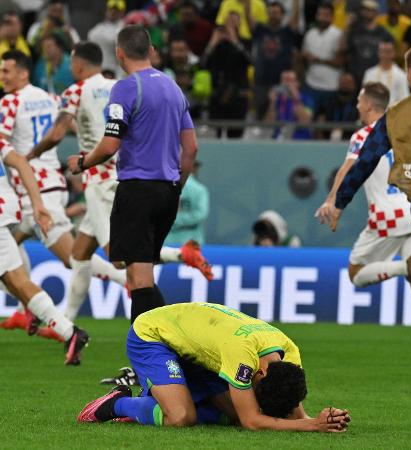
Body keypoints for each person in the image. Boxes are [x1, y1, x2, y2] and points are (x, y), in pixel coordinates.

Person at [28, 41, 212, 324]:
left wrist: (31, 155)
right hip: (142, 178)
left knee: (123, 257)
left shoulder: (79, 90)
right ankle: (65, 323)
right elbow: (191, 147)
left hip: (103, 179)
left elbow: (58, 134)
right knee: (80, 255)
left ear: (77, 64)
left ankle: (179, 257)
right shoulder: (120, 85)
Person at [67, 26, 198, 324]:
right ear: (151, 50)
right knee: (143, 277)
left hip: (137, 189)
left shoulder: (125, 88)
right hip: (167, 191)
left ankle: (148, 361)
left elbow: (110, 145)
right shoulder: (174, 89)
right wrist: (177, 188)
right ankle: (166, 351)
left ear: (119, 53)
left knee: (137, 280)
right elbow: (191, 148)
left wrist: (83, 162)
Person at [0, 50, 132, 334]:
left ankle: (125, 280)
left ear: (24, 72)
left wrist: (30, 155)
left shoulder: (10, 102)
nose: (2, 77)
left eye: (6, 71)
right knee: (14, 239)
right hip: (51, 182)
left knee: (72, 256)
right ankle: (26, 310)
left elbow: (3, 144)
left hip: (34, 188)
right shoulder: (49, 98)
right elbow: (72, 123)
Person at [316, 81, 411, 363]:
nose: (356, 106)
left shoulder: (364, 134)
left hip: (385, 217)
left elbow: (349, 168)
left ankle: (403, 267)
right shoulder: (406, 129)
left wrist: (332, 200)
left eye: (359, 101)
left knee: (356, 273)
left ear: (369, 105)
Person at [78, 302, 351, 432]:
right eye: (255, 386)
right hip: (153, 335)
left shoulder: (289, 355)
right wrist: (311, 426)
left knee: (231, 414)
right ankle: (117, 403)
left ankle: (157, 399)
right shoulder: (242, 354)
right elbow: (252, 421)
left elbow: (292, 409)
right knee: (181, 418)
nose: (252, 388)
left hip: (199, 350)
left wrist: (322, 419)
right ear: (259, 373)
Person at [0, 137, 88, 365]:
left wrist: (39, 205)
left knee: (17, 280)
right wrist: (37, 204)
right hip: (7, 207)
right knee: (14, 281)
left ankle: (64, 329)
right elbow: (20, 162)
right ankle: (66, 330)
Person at [203, 13, 251, 138]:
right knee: (214, 132)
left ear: (239, 24)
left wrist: (234, 41)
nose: (230, 24)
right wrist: (213, 43)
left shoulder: (244, 42)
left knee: (236, 134)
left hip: (237, 95)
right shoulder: (216, 44)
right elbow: (203, 63)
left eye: (234, 21)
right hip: (217, 95)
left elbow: (249, 60)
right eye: (228, 21)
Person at [251, 0, 301, 119]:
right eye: (271, 12)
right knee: (260, 117)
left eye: (277, 13)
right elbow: (249, 18)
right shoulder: (260, 30)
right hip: (261, 82)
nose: (273, 15)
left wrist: (296, 2)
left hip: (282, 83)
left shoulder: (287, 32)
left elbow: (296, 15)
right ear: (267, 14)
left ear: (283, 15)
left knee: (282, 116)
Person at [302, 2, 343, 117]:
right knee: (308, 120)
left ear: (332, 17)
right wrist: (305, 57)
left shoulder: (338, 34)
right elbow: (304, 57)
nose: (322, 18)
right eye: (320, 14)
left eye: (326, 15)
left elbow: (340, 62)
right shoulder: (310, 34)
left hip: (331, 88)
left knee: (327, 126)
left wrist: (318, 60)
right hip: (311, 85)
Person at [344, 0, 393, 88]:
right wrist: (347, 27)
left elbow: (390, 57)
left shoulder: (384, 33)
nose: (368, 12)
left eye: (371, 9)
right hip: (355, 79)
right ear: (361, 11)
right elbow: (343, 50)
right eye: (365, 9)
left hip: (376, 78)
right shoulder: (353, 30)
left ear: (377, 12)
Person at [165, 161, 210, 246]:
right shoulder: (200, 189)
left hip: (166, 242)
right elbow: (201, 214)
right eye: (195, 166)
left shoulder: (165, 187)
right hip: (191, 243)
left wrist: (174, 220)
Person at [266, 69, 314, 140]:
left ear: (297, 83)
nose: (286, 84)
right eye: (284, 80)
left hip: (300, 140)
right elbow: (269, 124)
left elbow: (305, 122)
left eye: (290, 81)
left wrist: (296, 99)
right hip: (279, 140)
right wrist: (272, 103)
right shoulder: (277, 98)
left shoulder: (307, 99)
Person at [362, 40, 409, 105]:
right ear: (378, 53)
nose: (385, 55)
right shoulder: (369, 73)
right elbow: (364, 98)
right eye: (382, 51)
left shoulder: (401, 75)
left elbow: (404, 100)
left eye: (388, 52)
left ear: (393, 53)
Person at [87, 0, 126, 78]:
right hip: (98, 72)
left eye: (117, 10)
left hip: (115, 72)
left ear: (122, 12)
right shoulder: (100, 26)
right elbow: (91, 36)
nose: (113, 12)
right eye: (111, 9)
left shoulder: (124, 28)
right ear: (107, 10)